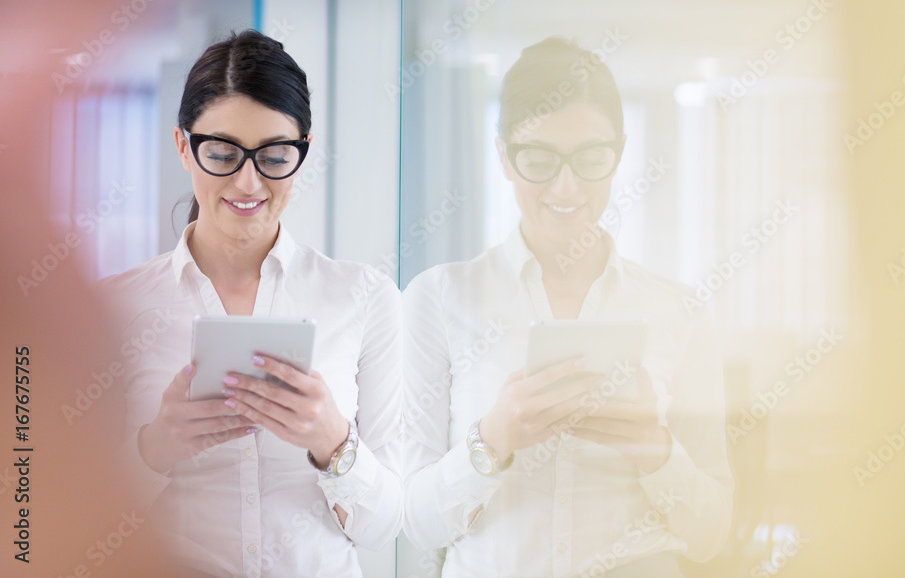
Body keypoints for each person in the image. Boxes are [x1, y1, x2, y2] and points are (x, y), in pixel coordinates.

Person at [402, 37, 733, 577]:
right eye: (538, 159)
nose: (566, 185)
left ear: (619, 153)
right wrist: (494, 439)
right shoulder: (439, 299)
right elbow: (416, 521)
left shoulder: (680, 312)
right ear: (504, 157)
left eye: (591, 159)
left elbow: (711, 535)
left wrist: (654, 447)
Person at [103, 30, 402, 577]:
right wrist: (154, 450)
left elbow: (384, 529)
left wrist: (333, 442)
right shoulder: (115, 309)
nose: (247, 181)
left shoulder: (364, 298)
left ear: (303, 150)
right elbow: (55, 517)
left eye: (274, 155)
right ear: (182, 146)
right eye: (220, 153)